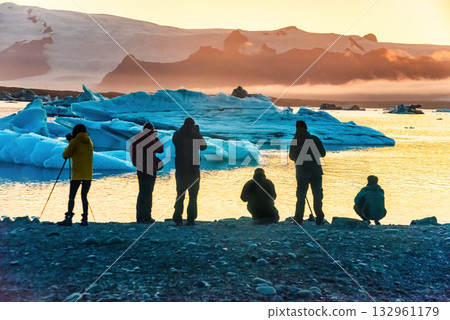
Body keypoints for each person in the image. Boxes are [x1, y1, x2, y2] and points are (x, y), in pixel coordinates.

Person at [289, 120, 326, 225]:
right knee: (317, 196)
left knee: (300, 197)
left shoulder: (294, 140)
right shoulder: (314, 139)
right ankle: (319, 218)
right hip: (316, 173)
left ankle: (298, 219)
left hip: (301, 174)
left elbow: (292, 157)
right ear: (306, 127)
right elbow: (322, 154)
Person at [172, 118, 207, 226]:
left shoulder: (177, 135)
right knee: (193, 196)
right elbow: (203, 147)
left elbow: (175, 140)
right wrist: (198, 133)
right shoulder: (195, 135)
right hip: (193, 169)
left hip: (181, 169)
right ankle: (191, 219)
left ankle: (178, 218)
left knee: (180, 194)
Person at [57, 124, 93, 226]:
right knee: (84, 197)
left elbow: (65, 155)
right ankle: (85, 219)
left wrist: (70, 142)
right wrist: (72, 141)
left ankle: (68, 218)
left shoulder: (75, 142)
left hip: (77, 174)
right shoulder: (90, 142)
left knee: (72, 196)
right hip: (88, 175)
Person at [130, 122, 164, 224]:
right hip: (150, 169)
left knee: (141, 192)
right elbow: (160, 149)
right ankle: (147, 216)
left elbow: (133, 153)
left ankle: (139, 217)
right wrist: (155, 137)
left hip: (140, 169)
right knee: (148, 192)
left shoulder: (136, 140)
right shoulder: (151, 139)